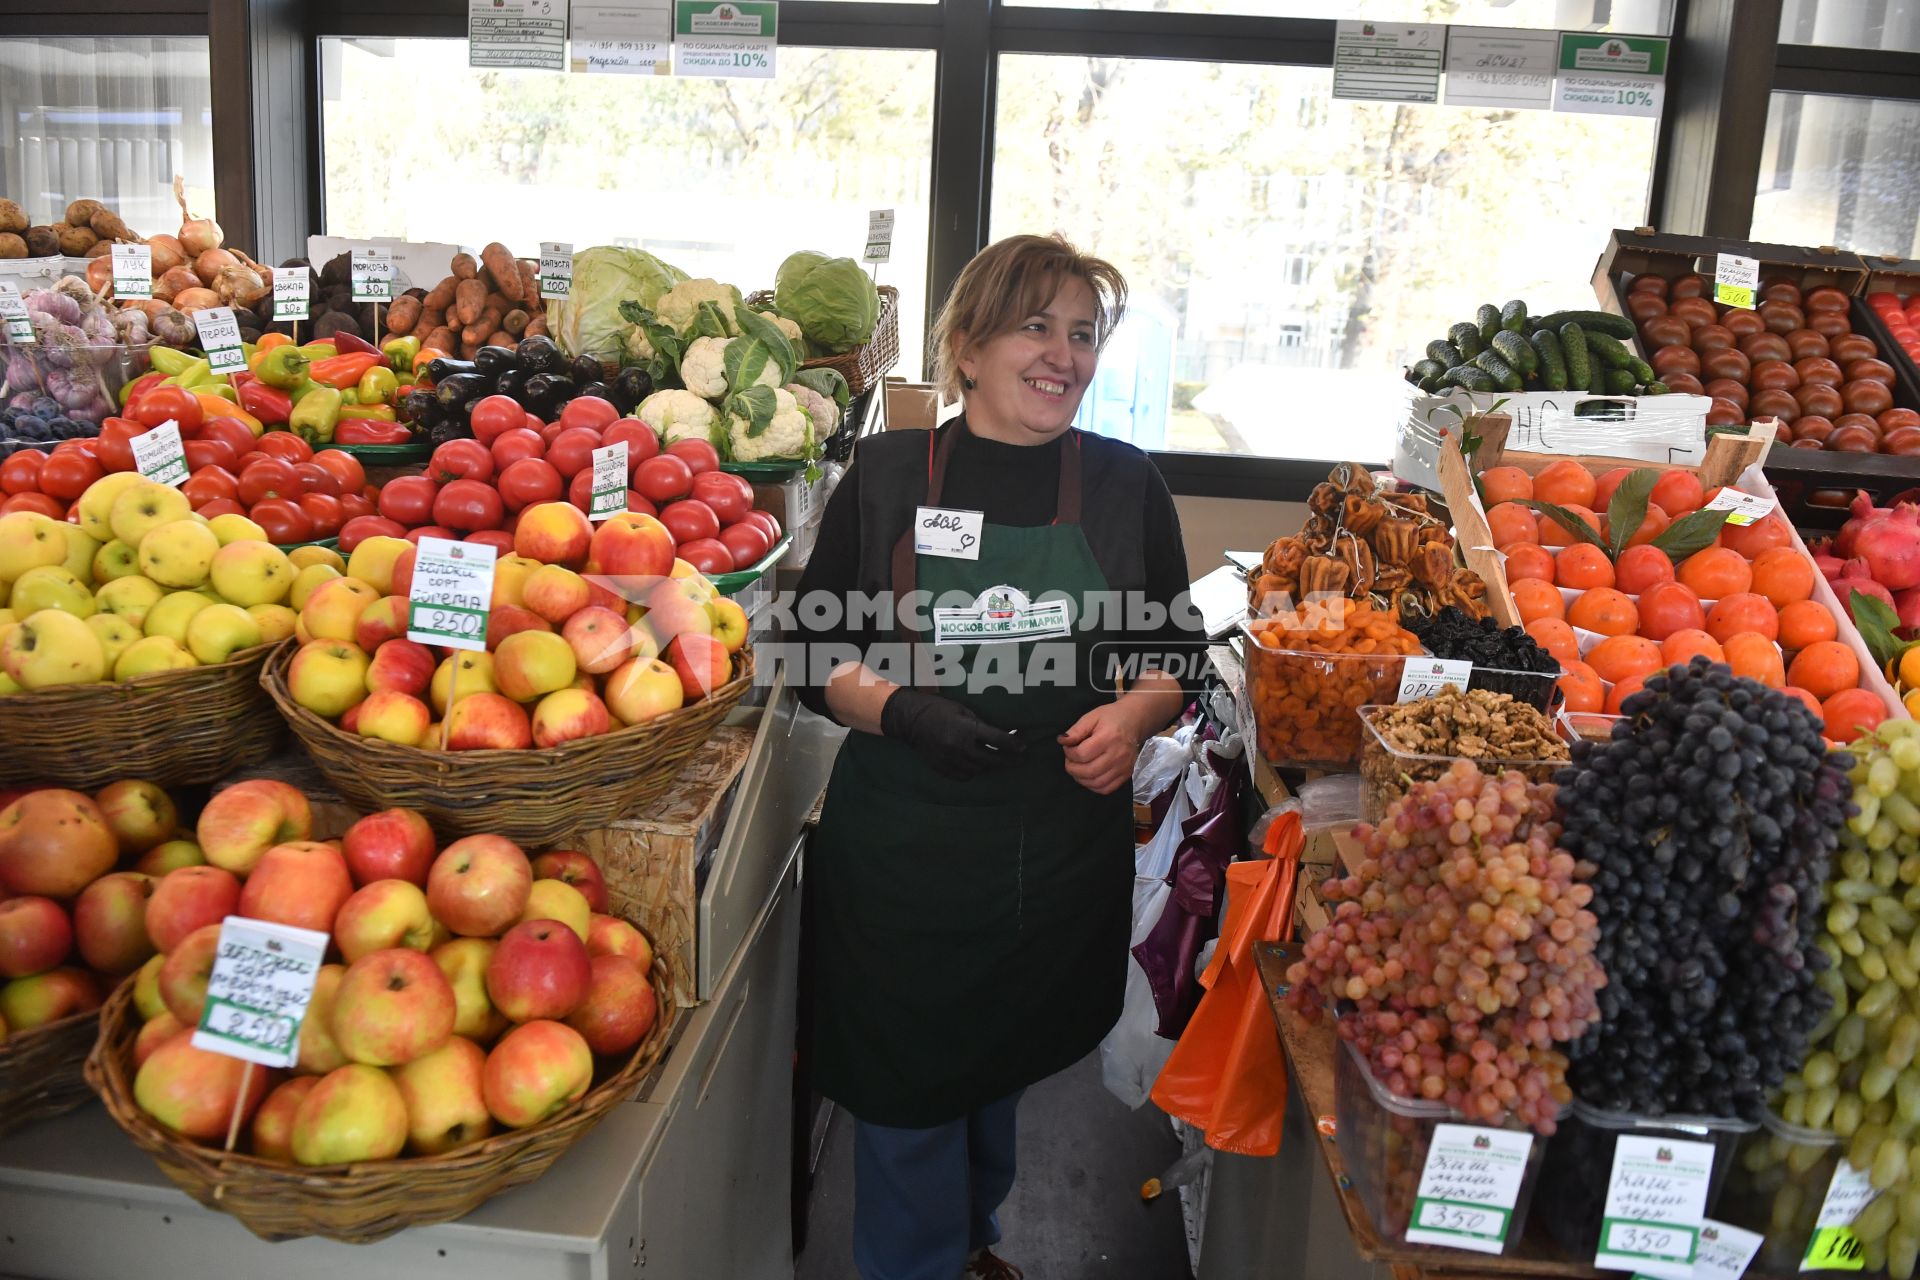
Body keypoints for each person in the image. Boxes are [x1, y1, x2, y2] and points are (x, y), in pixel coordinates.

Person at [795, 233, 1201, 1280]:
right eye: (1037, 326)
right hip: (906, 849)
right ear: (966, 348)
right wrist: (901, 710)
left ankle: (971, 1238)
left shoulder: (1122, 486)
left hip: (1052, 851)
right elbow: (810, 651)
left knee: (993, 1070)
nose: (1063, 353)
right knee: (905, 1083)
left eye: (1081, 333)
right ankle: (916, 1264)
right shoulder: (886, 475)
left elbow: (1172, 657)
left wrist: (1134, 718)